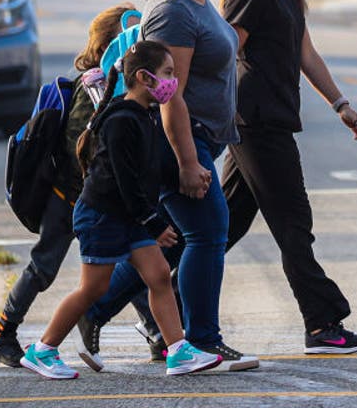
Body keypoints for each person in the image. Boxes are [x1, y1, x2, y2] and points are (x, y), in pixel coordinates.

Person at [80, 0, 258, 372]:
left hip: (202, 135)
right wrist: (184, 161)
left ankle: (94, 310)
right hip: (180, 140)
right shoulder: (172, 9)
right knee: (208, 233)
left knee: (174, 239)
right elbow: (168, 91)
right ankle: (202, 341)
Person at [219, 0, 357, 354]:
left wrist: (340, 103)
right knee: (294, 224)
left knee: (222, 227)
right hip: (256, 121)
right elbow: (226, 51)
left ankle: (140, 298)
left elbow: (305, 52)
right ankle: (322, 324)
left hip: (275, 118)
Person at [19, 41, 222, 380]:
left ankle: (178, 351)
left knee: (157, 275)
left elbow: (149, 169)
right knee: (94, 289)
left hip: (127, 215)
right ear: (144, 78)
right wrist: (152, 221)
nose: (173, 81)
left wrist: (183, 174)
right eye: (167, 74)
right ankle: (43, 350)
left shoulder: (144, 116)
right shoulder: (121, 120)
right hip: (102, 215)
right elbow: (126, 179)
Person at [0, 4, 138, 367]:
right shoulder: (94, 88)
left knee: (137, 258)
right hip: (68, 197)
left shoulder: (118, 88)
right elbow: (78, 144)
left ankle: (160, 334)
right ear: (108, 47)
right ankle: (1, 333)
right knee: (44, 267)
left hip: (92, 198)